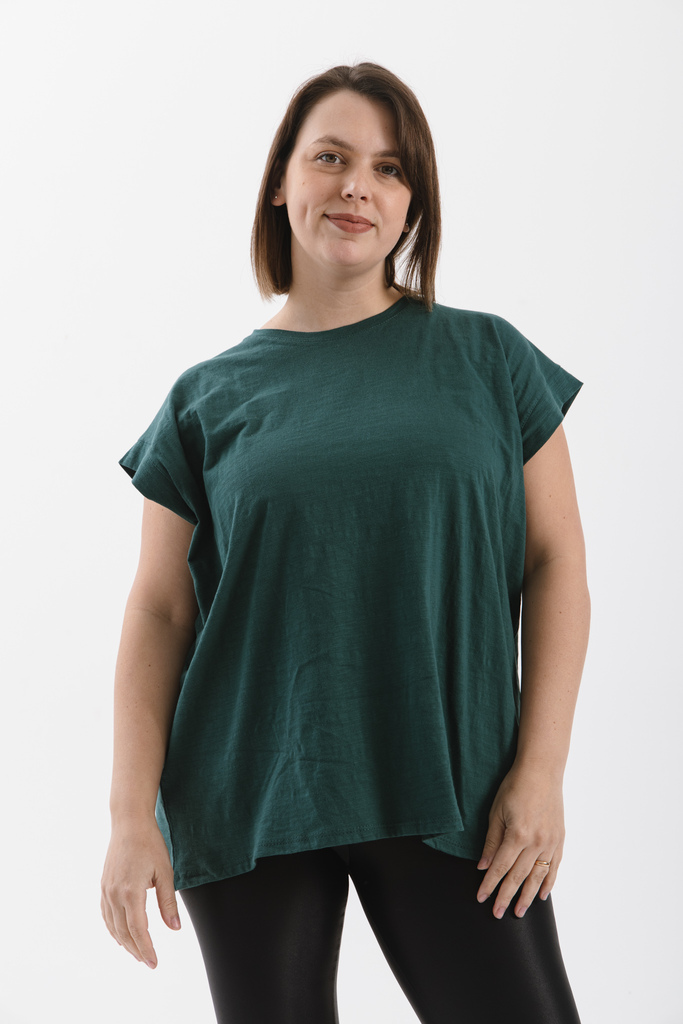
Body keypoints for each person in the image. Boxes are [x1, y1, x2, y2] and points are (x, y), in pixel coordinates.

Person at [101, 61, 591, 1024]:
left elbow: (556, 564)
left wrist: (540, 772)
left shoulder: (488, 358)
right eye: (329, 157)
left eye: (389, 168)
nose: (357, 186)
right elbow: (158, 611)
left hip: (451, 781)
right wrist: (128, 818)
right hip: (249, 789)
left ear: (413, 204)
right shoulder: (204, 399)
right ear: (280, 181)